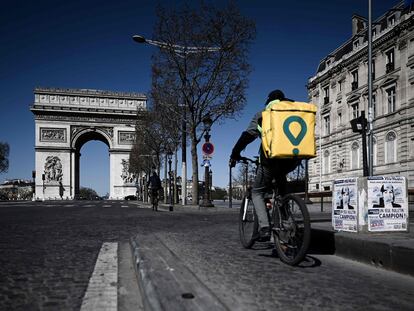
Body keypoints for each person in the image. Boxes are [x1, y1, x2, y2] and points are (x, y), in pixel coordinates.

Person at [230, 90, 300, 241]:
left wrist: (234, 153)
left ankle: (265, 227)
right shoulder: (295, 110)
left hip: (271, 160)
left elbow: (247, 136)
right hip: (293, 160)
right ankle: (288, 223)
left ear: (269, 101)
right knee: (282, 193)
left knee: (257, 192)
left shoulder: (264, 114)